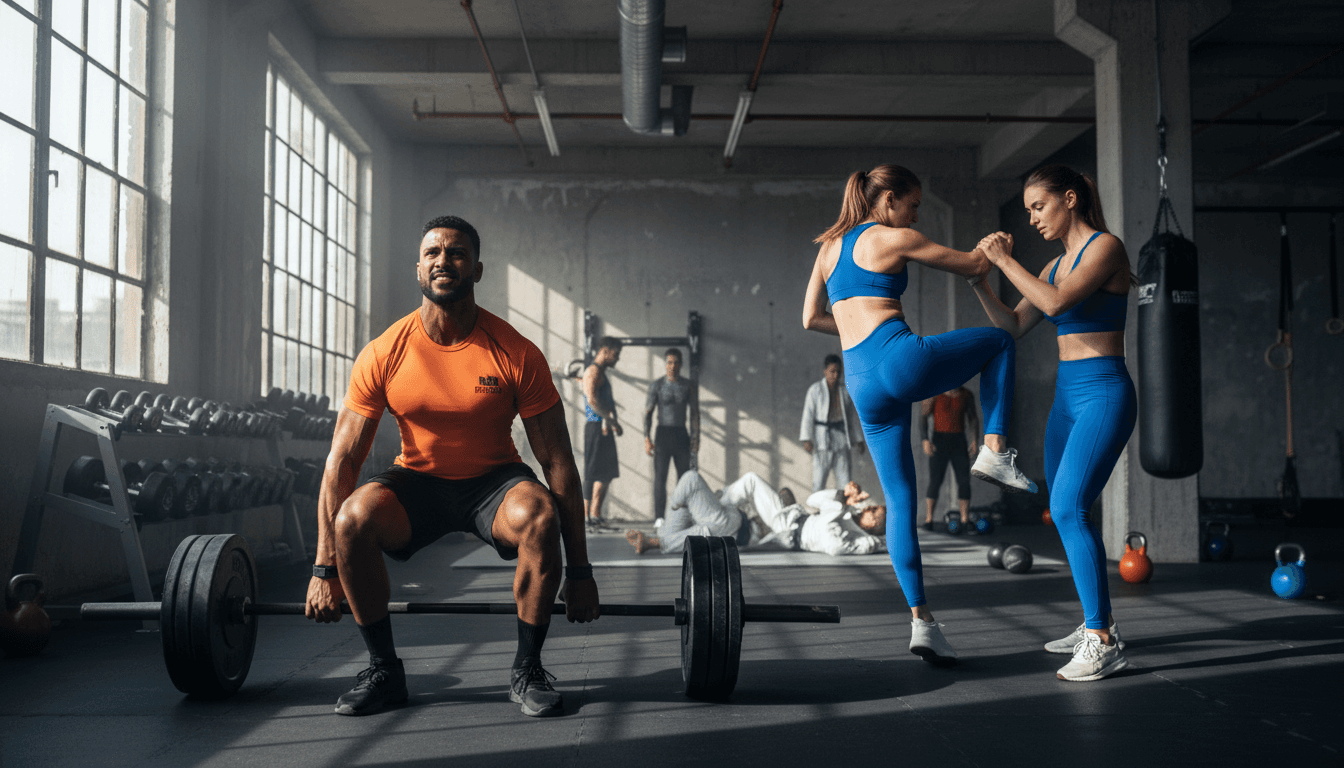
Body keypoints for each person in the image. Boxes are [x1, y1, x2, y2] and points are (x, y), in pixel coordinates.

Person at [304, 215, 599, 719]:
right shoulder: (384, 351)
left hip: (493, 482)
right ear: (418, 269)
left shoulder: (517, 352)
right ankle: (383, 670)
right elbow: (344, 459)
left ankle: (527, 669)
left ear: (477, 269)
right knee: (352, 519)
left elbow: (558, 462)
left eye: (457, 253)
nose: (445, 261)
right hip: (416, 480)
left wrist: (581, 571)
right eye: (434, 253)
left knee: (539, 515)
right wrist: (324, 566)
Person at [801, 163, 1037, 666]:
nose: (915, 213)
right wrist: (996, 247)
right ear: (887, 200)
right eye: (913, 204)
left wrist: (852, 329)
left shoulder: (828, 250)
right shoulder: (892, 237)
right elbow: (975, 266)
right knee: (998, 342)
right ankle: (994, 451)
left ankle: (922, 622)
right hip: (898, 360)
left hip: (862, 383)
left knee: (901, 499)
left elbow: (810, 319)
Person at [969, 164, 1135, 682]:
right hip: (1067, 399)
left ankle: (1101, 639)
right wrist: (981, 281)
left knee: (1068, 507)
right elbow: (1015, 324)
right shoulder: (1052, 265)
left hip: (1104, 393)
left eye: (1038, 207)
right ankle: (1093, 621)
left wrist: (1004, 259)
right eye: (1028, 212)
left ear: (1069, 199)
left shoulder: (1106, 248)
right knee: (1064, 508)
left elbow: (1059, 303)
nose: (1034, 218)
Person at [624, 471, 885, 557]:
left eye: (875, 513)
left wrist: (843, 509)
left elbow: (836, 546)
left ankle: (659, 539)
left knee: (700, 485)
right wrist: (843, 496)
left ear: (874, 527)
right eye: (873, 505)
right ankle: (664, 536)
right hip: (746, 518)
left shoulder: (858, 537)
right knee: (690, 480)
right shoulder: (848, 512)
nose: (870, 507)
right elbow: (813, 499)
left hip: (783, 529)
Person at [644, 347, 699, 528]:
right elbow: (648, 413)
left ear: (681, 364)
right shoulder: (657, 385)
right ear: (665, 364)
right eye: (669, 362)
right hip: (663, 434)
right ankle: (659, 516)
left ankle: (683, 514)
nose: (672, 366)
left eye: (676, 362)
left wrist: (695, 437)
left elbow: (694, 413)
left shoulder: (688, 385)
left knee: (684, 478)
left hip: (681, 433)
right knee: (660, 476)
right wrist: (646, 437)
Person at [799, 354, 865, 491]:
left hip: (841, 439)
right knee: (818, 481)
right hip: (822, 439)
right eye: (832, 371)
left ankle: (845, 510)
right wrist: (806, 438)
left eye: (838, 372)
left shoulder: (845, 392)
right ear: (825, 370)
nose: (836, 375)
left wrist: (859, 439)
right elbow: (808, 415)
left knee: (845, 480)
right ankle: (816, 511)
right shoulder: (815, 390)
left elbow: (852, 418)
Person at [919, 387, 981, 530]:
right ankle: (929, 520)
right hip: (939, 441)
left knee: (964, 480)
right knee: (935, 480)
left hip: (959, 440)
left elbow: (973, 418)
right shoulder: (934, 392)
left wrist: (974, 441)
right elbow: (923, 416)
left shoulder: (966, 394)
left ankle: (965, 520)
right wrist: (925, 440)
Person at [581, 337, 623, 532]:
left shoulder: (601, 373)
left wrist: (613, 421)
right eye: (615, 354)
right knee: (595, 472)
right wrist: (610, 419)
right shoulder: (593, 371)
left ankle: (593, 517)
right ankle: (591, 517)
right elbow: (592, 401)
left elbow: (604, 401)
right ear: (605, 351)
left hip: (603, 426)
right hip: (596, 426)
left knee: (605, 473)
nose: (617, 359)